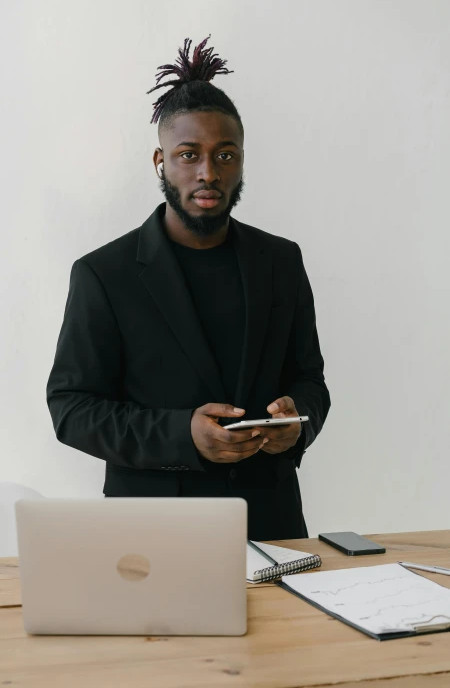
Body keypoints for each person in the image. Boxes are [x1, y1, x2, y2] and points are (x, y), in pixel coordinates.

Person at [46, 36, 330, 540]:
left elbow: (309, 379)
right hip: (154, 531)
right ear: (161, 161)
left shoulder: (282, 261)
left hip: (271, 523)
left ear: (242, 160)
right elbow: (72, 408)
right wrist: (183, 436)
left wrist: (296, 425)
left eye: (224, 155)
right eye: (188, 154)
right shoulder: (103, 274)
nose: (207, 173)